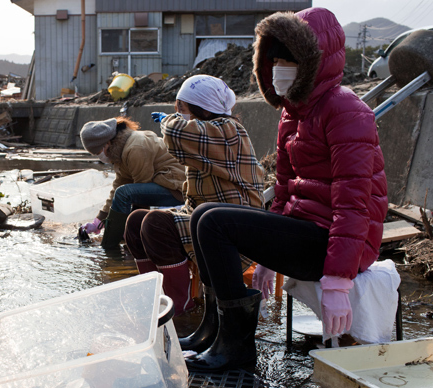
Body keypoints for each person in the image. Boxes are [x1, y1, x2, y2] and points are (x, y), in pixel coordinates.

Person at [185, 7, 388, 372]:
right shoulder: (292, 112)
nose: (279, 69)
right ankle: (215, 331)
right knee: (203, 215)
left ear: (314, 61)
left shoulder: (346, 110)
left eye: (289, 60)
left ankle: (237, 347)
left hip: (336, 244)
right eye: (274, 59)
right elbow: (282, 191)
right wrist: (265, 260)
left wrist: (339, 282)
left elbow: (354, 203)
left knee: (217, 224)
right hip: (305, 230)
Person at [123, 75, 265, 320]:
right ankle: (154, 297)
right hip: (203, 216)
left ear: (202, 108)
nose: (177, 112)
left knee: (156, 223)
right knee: (136, 221)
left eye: (182, 107)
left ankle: (180, 306)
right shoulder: (206, 131)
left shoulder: (227, 130)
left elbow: (176, 132)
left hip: (232, 224)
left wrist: (169, 120)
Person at [80, 116, 186, 249]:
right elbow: (118, 186)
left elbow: (140, 196)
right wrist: (99, 220)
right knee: (122, 191)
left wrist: (131, 228)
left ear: (107, 143)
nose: (99, 157)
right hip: (162, 183)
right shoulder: (120, 152)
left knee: (125, 193)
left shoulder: (135, 147)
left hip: (176, 187)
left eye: (98, 152)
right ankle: (112, 241)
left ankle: (111, 246)